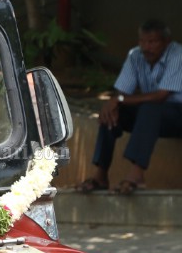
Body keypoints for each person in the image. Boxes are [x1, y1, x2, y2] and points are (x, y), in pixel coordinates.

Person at [78, 19, 182, 195]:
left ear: (166, 42)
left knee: (149, 107)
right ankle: (100, 175)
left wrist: (118, 99)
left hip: (177, 115)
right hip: (151, 116)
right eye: (142, 41)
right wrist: (114, 103)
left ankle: (136, 175)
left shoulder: (177, 54)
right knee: (111, 111)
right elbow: (121, 93)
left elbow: (161, 96)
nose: (146, 47)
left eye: (152, 42)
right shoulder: (135, 55)